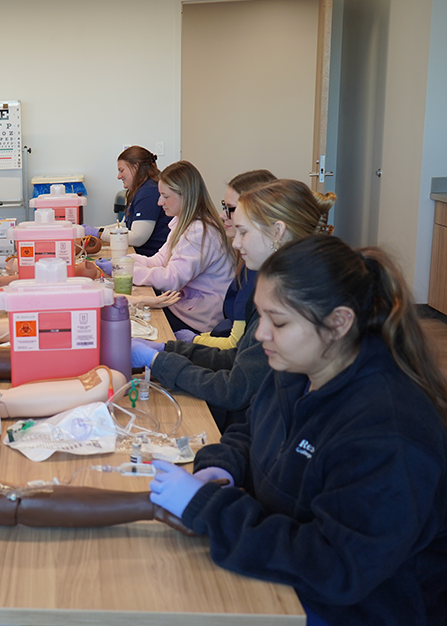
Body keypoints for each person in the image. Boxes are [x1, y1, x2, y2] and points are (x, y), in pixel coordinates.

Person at [148, 235, 447, 625]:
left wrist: (211, 509)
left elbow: (336, 567)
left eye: (279, 322)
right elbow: (251, 429)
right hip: (287, 577)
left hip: (354, 610)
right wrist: (222, 466)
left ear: (338, 323)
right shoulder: (297, 369)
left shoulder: (388, 431)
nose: (261, 334)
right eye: (261, 316)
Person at [132, 179, 335, 430]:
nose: (236, 243)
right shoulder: (271, 284)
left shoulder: (292, 301)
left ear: (277, 232)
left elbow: (235, 390)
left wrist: (159, 360)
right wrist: (168, 349)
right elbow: (239, 357)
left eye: (244, 232)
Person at [130, 160, 237, 333]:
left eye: (165, 196)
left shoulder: (200, 231)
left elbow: (171, 280)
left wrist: (129, 271)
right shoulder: (182, 222)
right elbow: (160, 260)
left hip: (196, 320)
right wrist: (124, 261)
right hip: (182, 307)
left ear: (185, 195)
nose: (159, 202)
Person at [180, 169, 277, 348]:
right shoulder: (252, 265)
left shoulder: (255, 272)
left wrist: (191, 340)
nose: (222, 215)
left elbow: (235, 345)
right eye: (224, 206)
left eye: (230, 209)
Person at [107, 146, 171, 256]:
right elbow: (123, 225)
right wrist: (94, 231)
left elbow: (137, 238)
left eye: (122, 170)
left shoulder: (149, 191)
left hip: (153, 258)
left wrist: (99, 234)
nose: (119, 176)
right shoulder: (140, 190)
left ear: (136, 167)